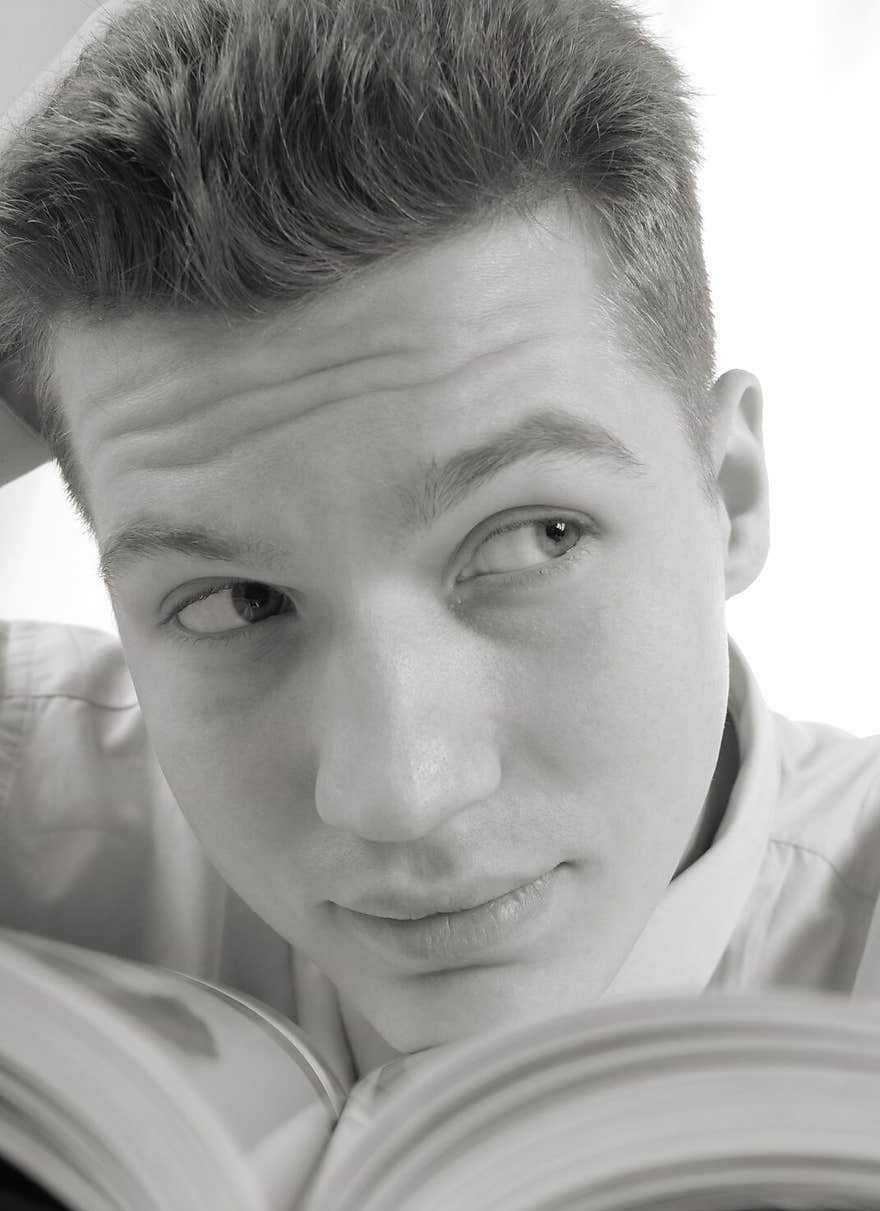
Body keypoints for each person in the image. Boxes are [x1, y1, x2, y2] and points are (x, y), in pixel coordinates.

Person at [1, 0, 878, 1095]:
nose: (400, 794)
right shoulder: (39, 813)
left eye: (529, 539)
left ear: (732, 496)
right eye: (235, 600)